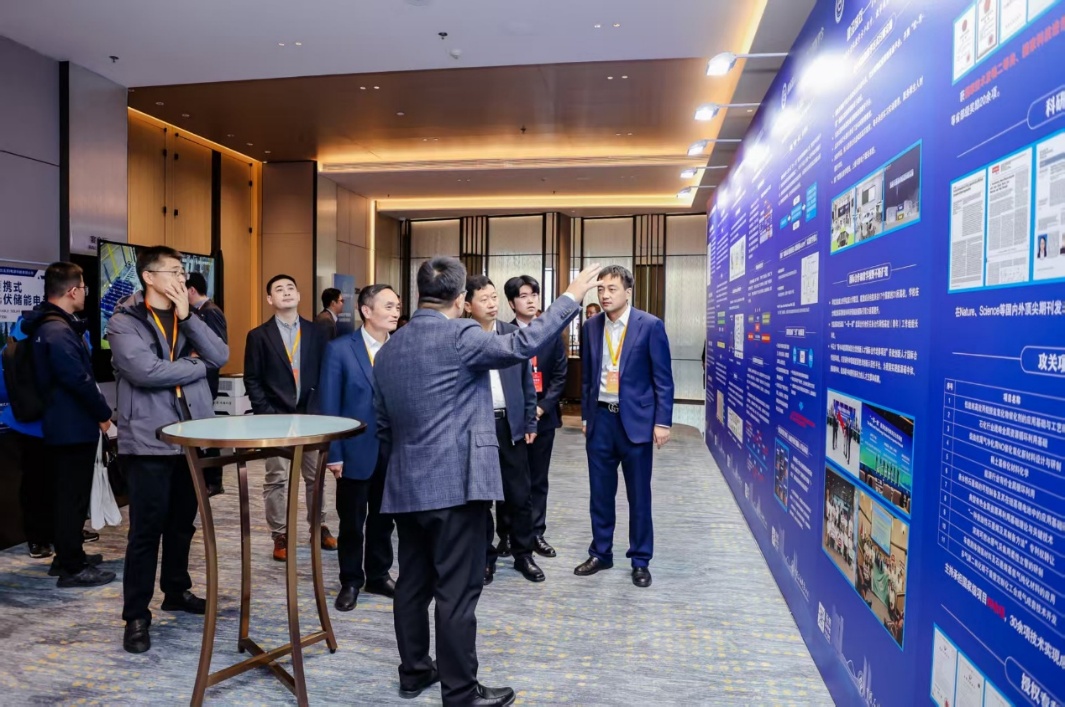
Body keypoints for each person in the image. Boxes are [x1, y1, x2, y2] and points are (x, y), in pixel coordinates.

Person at [373, 256, 601, 706]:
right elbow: (523, 343)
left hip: (405, 485)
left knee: (413, 584)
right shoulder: (461, 335)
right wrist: (572, 296)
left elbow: (383, 424)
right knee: (457, 593)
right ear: (461, 299)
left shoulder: (389, 349)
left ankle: (414, 671)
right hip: (456, 486)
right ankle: (461, 692)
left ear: (418, 294)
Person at [108, 245, 229, 653]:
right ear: (149, 276)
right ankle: (136, 616)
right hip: (148, 440)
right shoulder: (124, 321)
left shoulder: (188, 316)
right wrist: (195, 367)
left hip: (189, 436)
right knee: (146, 531)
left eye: (182, 272)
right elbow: (144, 371)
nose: (181, 278)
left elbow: (220, 355)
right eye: (174, 271)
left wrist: (188, 317)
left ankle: (176, 590)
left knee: (182, 523)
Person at [576, 265, 674, 588]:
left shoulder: (650, 326)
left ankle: (640, 560)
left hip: (636, 423)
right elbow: (588, 377)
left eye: (612, 289)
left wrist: (662, 422)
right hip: (601, 420)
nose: (604, 295)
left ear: (628, 292)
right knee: (600, 494)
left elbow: (663, 379)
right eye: (600, 289)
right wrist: (586, 417)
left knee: (638, 496)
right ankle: (601, 553)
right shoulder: (591, 326)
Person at [27, 262, 115, 587]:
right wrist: (104, 415)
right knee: (71, 497)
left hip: (63, 423)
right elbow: (79, 381)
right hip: (71, 425)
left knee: (68, 495)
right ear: (73, 290)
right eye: (84, 288)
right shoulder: (58, 331)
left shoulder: (48, 326)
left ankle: (67, 555)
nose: (85, 294)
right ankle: (72, 568)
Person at [319, 283, 400, 612]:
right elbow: (329, 404)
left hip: (394, 451)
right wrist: (334, 453)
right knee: (352, 522)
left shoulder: (401, 348)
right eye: (388, 306)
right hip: (354, 450)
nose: (396, 312)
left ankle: (378, 575)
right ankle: (351, 580)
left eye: (397, 306)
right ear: (367, 311)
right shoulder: (340, 349)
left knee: (385, 520)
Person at [244, 274, 333, 561]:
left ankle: (318, 526)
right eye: (279, 289)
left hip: (311, 417)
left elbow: (326, 373)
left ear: (299, 295)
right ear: (270, 299)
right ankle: (280, 534)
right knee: (277, 478)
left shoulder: (317, 332)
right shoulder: (258, 336)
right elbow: (253, 380)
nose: (286, 292)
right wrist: (267, 415)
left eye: (291, 288)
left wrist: (320, 410)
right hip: (275, 418)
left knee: (315, 477)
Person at [464, 276, 544, 586]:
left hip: (509, 425)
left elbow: (527, 384)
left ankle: (524, 554)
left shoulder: (511, 335)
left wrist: (529, 420)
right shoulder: (462, 337)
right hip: (477, 426)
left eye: (494, 297)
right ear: (467, 305)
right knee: (481, 497)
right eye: (484, 299)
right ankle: (485, 558)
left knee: (519, 495)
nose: (492, 304)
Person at [501, 275, 567, 558]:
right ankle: (507, 534)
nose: (530, 300)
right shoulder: (504, 335)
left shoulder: (550, 333)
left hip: (543, 417)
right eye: (523, 296)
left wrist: (541, 408)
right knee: (510, 479)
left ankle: (536, 533)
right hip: (513, 419)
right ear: (511, 303)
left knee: (538, 479)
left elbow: (560, 376)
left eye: (534, 295)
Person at [185, 272, 228, 496]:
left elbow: (217, 347)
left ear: (191, 289)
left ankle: (214, 481)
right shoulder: (200, 311)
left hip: (206, 380)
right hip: (198, 379)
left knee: (207, 432)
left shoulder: (210, 311)